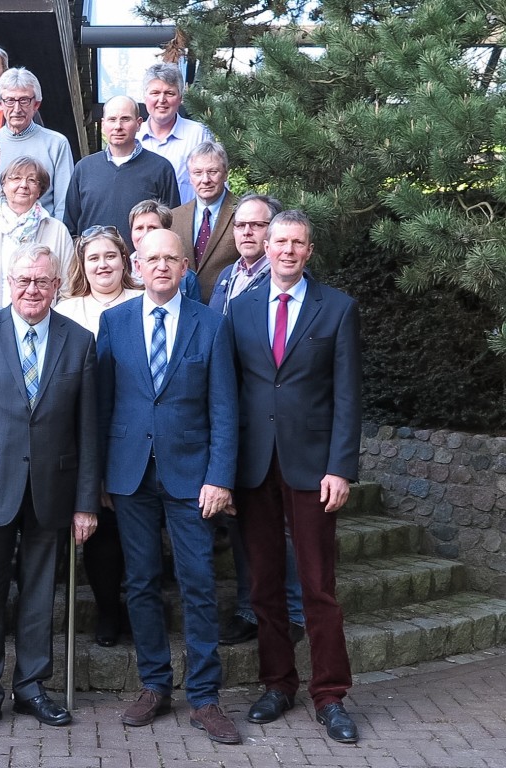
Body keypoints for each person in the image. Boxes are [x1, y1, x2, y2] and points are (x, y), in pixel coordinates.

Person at [0, 243, 98, 738]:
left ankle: (32, 687)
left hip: (52, 489)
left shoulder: (80, 340)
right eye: (24, 281)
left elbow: (88, 430)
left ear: (57, 285)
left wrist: (86, 503)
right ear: (9, 284)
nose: (33, 289)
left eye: (43, 282)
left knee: (37, 597)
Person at [97, 229, 240, 743]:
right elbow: (102, 403)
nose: (160, 266)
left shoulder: (212, 324)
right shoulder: (113, 322)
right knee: (139, 582)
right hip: (129, 474)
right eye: (151, 258)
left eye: (171, 259)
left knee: (198, 583)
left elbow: (225, 406)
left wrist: (220, 476)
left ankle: (204, 696)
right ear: (137, 265)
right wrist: (99, 478)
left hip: (191, 476)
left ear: (185, 267)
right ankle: (154, 684)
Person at [227, 210, 361, 744]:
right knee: (262, 585)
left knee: (317, 587)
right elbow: (228, 392)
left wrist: (341, 467)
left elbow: (348, 395)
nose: (285, 249)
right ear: (263, 243)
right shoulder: (239, 310)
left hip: (313, 466)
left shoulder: (338, 308)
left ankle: (330, 695)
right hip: (254, 466)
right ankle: (278, 683)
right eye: (277, 239)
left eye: (296, 242)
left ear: (308, 250)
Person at [209, 193, 306, 647]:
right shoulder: (227, 279)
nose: (247, 232)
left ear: (273, 234)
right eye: (240, 225)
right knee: (246, 522)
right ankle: (254, 607)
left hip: (276, 424)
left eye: (256, 225)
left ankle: (292, 612)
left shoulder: (286, 283)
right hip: (236, 418)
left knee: (280, 525)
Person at [56, 225, 141, 647]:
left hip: (134, 431)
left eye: (110, 255)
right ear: (82, 265)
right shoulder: (67, 310)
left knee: (138, 527)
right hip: (82, 433)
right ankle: (108, 610)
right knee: (98, 527)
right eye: (94, 258)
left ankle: (142, 603)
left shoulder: (144, 301)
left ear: (124, 260)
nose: (103, 264)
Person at [64, 95, 180, 249]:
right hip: (94, 266)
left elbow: (172, 227)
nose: (118, 126)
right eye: (112, 119)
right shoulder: (84, 168)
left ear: (139, 124)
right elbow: (70, 227)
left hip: (142, 267)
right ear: (103, 124)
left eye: (125, 119)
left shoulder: (161, 168)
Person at [0, 156, 72, 307]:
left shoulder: (58, 230)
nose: (23, 185)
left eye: (32, 180)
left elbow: (68, 286)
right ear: (4, 185)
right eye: (16, 178)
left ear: (39, 190)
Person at [0, 67, 73, 220]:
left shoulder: (56, 143)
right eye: (10, 100)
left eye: (24, 100)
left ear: (36, 104)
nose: (17, 109)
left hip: (44, 235)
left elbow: (64, 202)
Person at [170, 141, 240, 303]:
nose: (205, 179)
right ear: (190, 176)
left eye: (212, 171)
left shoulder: (242, 213)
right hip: (184, 310)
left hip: (227, 309)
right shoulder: (175, 217)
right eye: (197, 172)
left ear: (226, 173)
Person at [136, 63, 213, 204]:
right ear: (144, 97)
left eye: (169, 93)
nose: (161, 100)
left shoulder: (199, 135)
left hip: (186, 223)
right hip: (142, 224)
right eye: (155, 93)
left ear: (180, 98)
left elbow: (216, 186)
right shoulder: (135, 137)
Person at [128, 200, 199, 302]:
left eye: (152, 227)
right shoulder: (121, 271)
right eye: (139, 228)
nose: (145, 234)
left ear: (167, 231)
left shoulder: (186, 279)